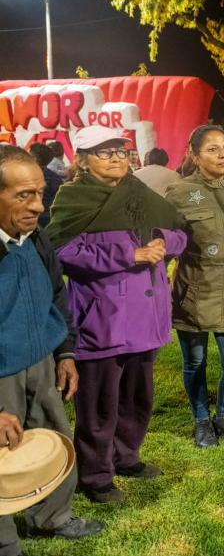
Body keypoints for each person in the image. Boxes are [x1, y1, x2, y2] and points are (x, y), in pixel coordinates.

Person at [45, 126, 187, 505]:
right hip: (103, 320)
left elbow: (179, 233)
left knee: (138, 397)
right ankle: (95, 476)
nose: (117, 159)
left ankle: (127, 456)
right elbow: (62, 253)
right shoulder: (72, 199)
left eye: (122, 152)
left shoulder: (139, 193)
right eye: (105, 152)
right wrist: (129, 256)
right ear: (81, 160)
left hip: (148, 319)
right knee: (98, 404)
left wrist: (163, 241)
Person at [0, 145, 104, 554]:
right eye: (23, 195)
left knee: (52, 440)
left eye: (40, 193)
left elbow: (56, 294)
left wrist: (65, 352)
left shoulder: (35, 237)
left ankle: (53, 516)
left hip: (40, 361)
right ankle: (5, 542)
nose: (37, 206)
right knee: (3, 455)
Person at [165, 126, 224, 449]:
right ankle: (201, 420)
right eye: (213, 149)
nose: (223, 155)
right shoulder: (178, 192)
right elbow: (164, 240)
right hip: (195, 291)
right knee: (195, 363)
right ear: (195, 154)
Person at [27, 143, 64, 229]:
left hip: (36, 222)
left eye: (27, 155)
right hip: (51, 222)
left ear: (34, 160)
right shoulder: (56, 178)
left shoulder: (25, 179)